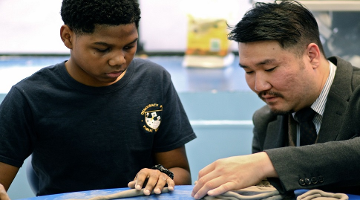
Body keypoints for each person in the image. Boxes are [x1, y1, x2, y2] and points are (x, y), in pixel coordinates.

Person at [0, 0, 196, 198]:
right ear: (68, 37)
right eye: (103, 49)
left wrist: (162, 175)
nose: (119, 60)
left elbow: (179, 172)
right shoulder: (29, 97)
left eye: (129, 46)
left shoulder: (154, 80)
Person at [191, 0, 360, 199]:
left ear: (312, 56)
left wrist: (267, 162)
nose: (259, 86)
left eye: (270, 69)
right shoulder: (265, 121)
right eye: (249, 71)